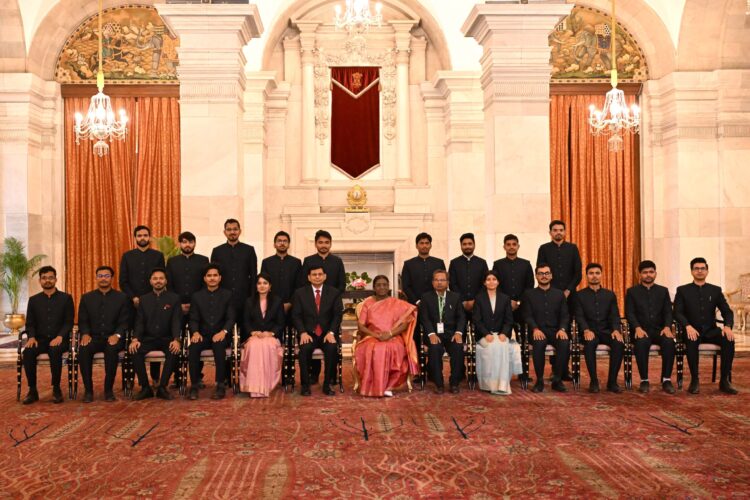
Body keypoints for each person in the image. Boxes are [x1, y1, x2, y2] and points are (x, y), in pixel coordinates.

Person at [674, 257, 737, 395]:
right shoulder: (683, 290)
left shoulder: (715, 290)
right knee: (691, 340)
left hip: (711, 331)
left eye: (703, 268)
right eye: (696, 268)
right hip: (691, 330)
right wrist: (687, 326)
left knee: (729, 339)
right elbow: (677, 312)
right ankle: (694, 380)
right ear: (691, 271)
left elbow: (727, 311)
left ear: (707, 271)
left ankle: (724, 380)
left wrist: (727, 326)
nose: (700, 271)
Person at [354, 275, 420, 397]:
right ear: (374, 287)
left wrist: (390, 334)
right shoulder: (368, 303)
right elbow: (361, 326)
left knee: (392, 347)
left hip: (393, 336)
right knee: (373, 348)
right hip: (372, 336)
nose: (382, 287)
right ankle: (375, 386)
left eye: (384, 285)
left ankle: (389, 386)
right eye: (378, 285)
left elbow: (405, 324)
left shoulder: (397, 303)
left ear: (388, 287)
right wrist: (376, 335)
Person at [21, 266, 74, 404]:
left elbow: (68, 322)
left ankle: (56, 389)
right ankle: (32, 390)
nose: (47, 280)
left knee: (55, 350)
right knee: (28, 352)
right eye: (44, 278)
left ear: (56, 279)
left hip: (60, 339)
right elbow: (30, 323)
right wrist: (31, 337)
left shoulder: (66, 298)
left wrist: (60, 336)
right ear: (40, 281)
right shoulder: (33, 300)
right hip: (39, 339)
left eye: (50, 277)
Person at [120, 225, 166, 383]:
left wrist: (149, 299)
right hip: (132, 305)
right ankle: (131, 378)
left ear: (149, 237)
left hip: (154, 304)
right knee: (133, 340)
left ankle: (155, 377)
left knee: (153, 336)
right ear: (135, 238)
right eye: (139, 235)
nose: (142, 238)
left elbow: (160, 279)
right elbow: (123, 282)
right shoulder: (127, 256)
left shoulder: (158, 255)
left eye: (145, 235)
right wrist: (133, 297)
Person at [77, 266, 130, 403]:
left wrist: (117, 335)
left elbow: (124, 321)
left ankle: (108, 390)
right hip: (93, 337)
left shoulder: (122, 297)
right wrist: (85, 333)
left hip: (113, 337)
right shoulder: (87, 298)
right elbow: (83, 320)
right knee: (83, 349)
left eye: (106, 276)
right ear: (96, 278)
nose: (103, 279)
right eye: (100, 276)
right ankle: (88, 391)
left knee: (111, 350)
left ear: (112, 278)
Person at [536, 220, 580, 381]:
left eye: (561, 230)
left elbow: (578, 273)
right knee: (552, 328)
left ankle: (564, 368)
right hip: (550, 296)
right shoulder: (544, 249)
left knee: (565, 330)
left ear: (565, 232)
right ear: (550, 233)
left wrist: (568, 290)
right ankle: (555, 369)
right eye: (555, 230)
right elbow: (541, 270)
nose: (558, 232)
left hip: (570, 296)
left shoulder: (572, 248)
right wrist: (554, 293)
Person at [299, 229, 345, 383]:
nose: (323, 245)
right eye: (320, 242)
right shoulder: (308, 260)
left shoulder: (337, 261)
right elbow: (303, 283)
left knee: (330, 343)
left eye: (326, 242)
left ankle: (331, 377)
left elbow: (342, 284)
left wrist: (331, 298)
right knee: (313, 336)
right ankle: (314, 375)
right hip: (312, 307)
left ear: (330, 244)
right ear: (315, 244)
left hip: (330, 309)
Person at [129, 268, 182, 400]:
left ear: (166, 281)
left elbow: (176, 321)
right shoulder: (143, 299)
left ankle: (162, 387)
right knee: (134, 350)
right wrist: (135, 339)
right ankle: (145, 388)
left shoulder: (174, 298)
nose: (158, 281)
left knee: (174, 351)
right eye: (155, 278)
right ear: (150, 281)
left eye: (161, 278)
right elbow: (140, 322)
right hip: (148, 339)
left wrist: (176, 339)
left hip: (167, 339)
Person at [291, 265, 344, 396]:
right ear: (309, 277)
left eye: (320, 274)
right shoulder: (300, 293)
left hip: (327, 333)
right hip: (308, 334)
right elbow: (296, 315)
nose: (317, 277)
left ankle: (327, 384)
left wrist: (331, 332)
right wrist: (302, 332)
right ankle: (305, 385)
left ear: (325, 276)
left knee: (332, 348)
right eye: (314, 275)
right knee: (304, 350)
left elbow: (337, 315)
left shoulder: (334, 293)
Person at [625, 260, 676, 394]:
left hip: (660, 330)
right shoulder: (632, 292)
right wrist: (637, 327)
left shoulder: (663, 291)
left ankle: (666, 380)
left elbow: (668, 312)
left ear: (655, 274)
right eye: (645, 272)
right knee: (641, 343)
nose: (648, 275)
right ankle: (644, 380)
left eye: (651, 272)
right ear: (639, 275)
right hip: (641, 330)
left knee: (669, 342)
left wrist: (667, 327)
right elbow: (629, 313)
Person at [166, 231, 209, 387]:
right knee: (176, 340)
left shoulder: (203, 260)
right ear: (180, 244)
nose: (187, 245)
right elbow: (169, 285)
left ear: (195, 243)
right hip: (177, 308)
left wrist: (195, 304)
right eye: (184, 242)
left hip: (198, 308)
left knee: (198, 340)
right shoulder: (172, 262)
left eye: (190, 242)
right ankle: (177, 376)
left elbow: (206, 284)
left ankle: (197, 376)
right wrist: (178, 304)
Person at [188, 263, 236, 400]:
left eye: (215, 275)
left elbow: (231, 318)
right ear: (205, 278)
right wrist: (195, 332)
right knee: (193, 348)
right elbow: (193, 318)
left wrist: (223, 332)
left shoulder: (228, 295)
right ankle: (194, 385)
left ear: (220, 278)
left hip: (221, 334)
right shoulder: (197, 296)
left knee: (219, 346)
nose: (212, 278)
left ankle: (220, 385)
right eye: (209, 276)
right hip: (202, 335)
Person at [574, 263, 624, 393]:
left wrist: (616, 330)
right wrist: (586, 329)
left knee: (618, 343)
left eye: (597, 273)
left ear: (601, 275)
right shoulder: (579, 295)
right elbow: (579, 316)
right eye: (591, 273)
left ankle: (612, 382)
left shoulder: (610, 295)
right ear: (586, 276)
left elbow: (615, 315)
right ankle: (594, 381)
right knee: (589, 344)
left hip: (606, 331)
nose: (594, 276)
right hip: (589, 331)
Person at [522, 264, 570, 393]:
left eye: (547, 273)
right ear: (536, 276)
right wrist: (535, 329)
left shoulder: (559, 294)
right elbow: (527, 315)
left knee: (564, 343)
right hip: (538, 330)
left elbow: (565, 315)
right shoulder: (528, 294)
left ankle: (557, 380)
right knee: (538, 343)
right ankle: (539, 381)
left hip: (556, 331)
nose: (544, 276)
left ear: (551, 275)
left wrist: (562, 329)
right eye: (541, 273)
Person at [472, 270, 521, 394]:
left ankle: (502, 384)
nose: (491, 282)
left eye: (494, 279)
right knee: (492, 347)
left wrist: (504, 333)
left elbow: (509, 320)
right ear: (484, 282)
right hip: (484, 335)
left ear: (498, 282)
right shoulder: (479, 298)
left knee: (502, 346)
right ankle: (489, 384)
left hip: (501, 335)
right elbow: (477, 320)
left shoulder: (505, 298)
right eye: (488, 279)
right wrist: (486, 333)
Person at [419, 269, 466, 394]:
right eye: (436, 280)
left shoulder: (455, 297)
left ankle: (454, 383)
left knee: (458, 348)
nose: (439, 282)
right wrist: (431, 334)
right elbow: (424, 318)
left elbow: (461, 317)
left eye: (442, 280)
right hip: (434, 333)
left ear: (447, 282)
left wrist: (458, 333)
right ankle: (438, 384)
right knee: (434, 349)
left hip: (451, 334)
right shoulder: (426, 297)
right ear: (432, 282)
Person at [210, 219, 257, 342]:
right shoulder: (217, 251)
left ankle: (245, 353)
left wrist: (253, 297)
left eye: (235, 229)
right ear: (224, 232)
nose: (232, 232)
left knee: (246, 331)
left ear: (240, 231)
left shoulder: (249, 250)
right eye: (229, 229)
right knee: (224, 331)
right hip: (223, 298)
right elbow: (213, 276)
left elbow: (253, 276)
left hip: (244, 297)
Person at [239, 273, 285, 397]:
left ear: (270, 286)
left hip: (271, 336)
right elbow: (245, 322)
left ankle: (267, 385)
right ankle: (253, 387)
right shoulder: (249, 301)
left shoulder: (277, 301)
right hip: (254, 335)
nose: (262, 286)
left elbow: (280, 322)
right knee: (254, 345)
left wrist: (271, 333)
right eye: (259, 283)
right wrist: (253, 332)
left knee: (268, 345)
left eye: (265, 283)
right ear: (256, 286)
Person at [492, 234, 534, 337]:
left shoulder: (526, 264)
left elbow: (529, 286)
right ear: (504, 247)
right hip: (503, 308)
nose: (511, 247)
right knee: (504, 338)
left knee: (525, 339)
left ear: (518, 246)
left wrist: (518, 302)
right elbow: (495, 285)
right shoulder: (498, 264)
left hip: (522, 308)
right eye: (508, 244)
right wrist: (508, 302)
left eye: (514, 244)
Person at [260, 231, 302, 316]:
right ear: (274, 244)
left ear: (289, 244)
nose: (282, 243)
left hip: (293, 306)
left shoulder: (296, 262)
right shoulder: (267, 262)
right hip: (271, 306)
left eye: (285, 241)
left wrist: (290, 303)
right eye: (279, 241)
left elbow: (299, 286)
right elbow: (263, 285)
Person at [448, 233, 488, 317]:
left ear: (474, 245)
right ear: (461, 246)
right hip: (459, 304)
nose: (467, 246)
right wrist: (463, 301)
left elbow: (485, 283)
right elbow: (452, 284)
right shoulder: (454, 263)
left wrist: (475, 300)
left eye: (470, 244)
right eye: (464, 244)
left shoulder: (482, 263)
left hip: (479, 304)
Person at [401, 232, 445, 306]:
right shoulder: (408, 264)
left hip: (436, 303)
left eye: (427, 243)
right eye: (421, 243)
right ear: (416, 246)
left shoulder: (439, 263)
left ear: (430, 245)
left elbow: (444, 283)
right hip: (414, 305)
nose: (424, 246)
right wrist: (416, 301)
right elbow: (406, 286)